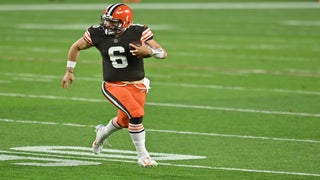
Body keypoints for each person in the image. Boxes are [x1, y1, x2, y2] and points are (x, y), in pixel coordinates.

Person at [61, 3, 167, 167]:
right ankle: (143, 156)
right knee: (136, 113)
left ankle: (101, 134)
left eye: (113, 22)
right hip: (113, 85)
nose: (108, 25)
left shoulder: (138, 31)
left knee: (124, 121)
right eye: (106, 20)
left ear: (125, 22)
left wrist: (150, 52)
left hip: (138, 85)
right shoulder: (96, 33)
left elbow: (162, 53)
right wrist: (69, 71)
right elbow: (76, 47)